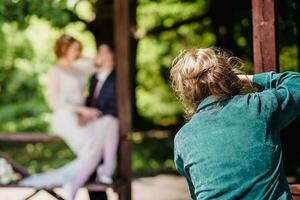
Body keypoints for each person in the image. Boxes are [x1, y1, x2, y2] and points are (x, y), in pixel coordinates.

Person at [170, 47, 300, 199]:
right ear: (228, 74)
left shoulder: (182, 138)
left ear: (185, 91)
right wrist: (250, 78)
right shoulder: (257, 107)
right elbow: (296, 83)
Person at [19, 34, 118, 200]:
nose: (79, 52)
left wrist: (84, 113)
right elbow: (53, 103)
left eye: (79, 48)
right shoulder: (55, 70)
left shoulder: (78, 67)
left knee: (108, 125)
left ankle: (91, 178)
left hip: (82, 117)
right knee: (93, 150)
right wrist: (83, 110)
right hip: (65, 117)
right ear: (64, 50)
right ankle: (78, 184)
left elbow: (97, 62)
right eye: (75, 49)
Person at [83, 44, 119, 200]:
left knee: (96, 173)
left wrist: (95, 115)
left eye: (104, 52)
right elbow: (89, 102)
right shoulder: (93, 78)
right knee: (89, 175)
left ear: (111, 56)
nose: (99, 56)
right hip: (90, 131)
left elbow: (117, 107)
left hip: (108, 130)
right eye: (98, 52)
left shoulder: (117, 78)